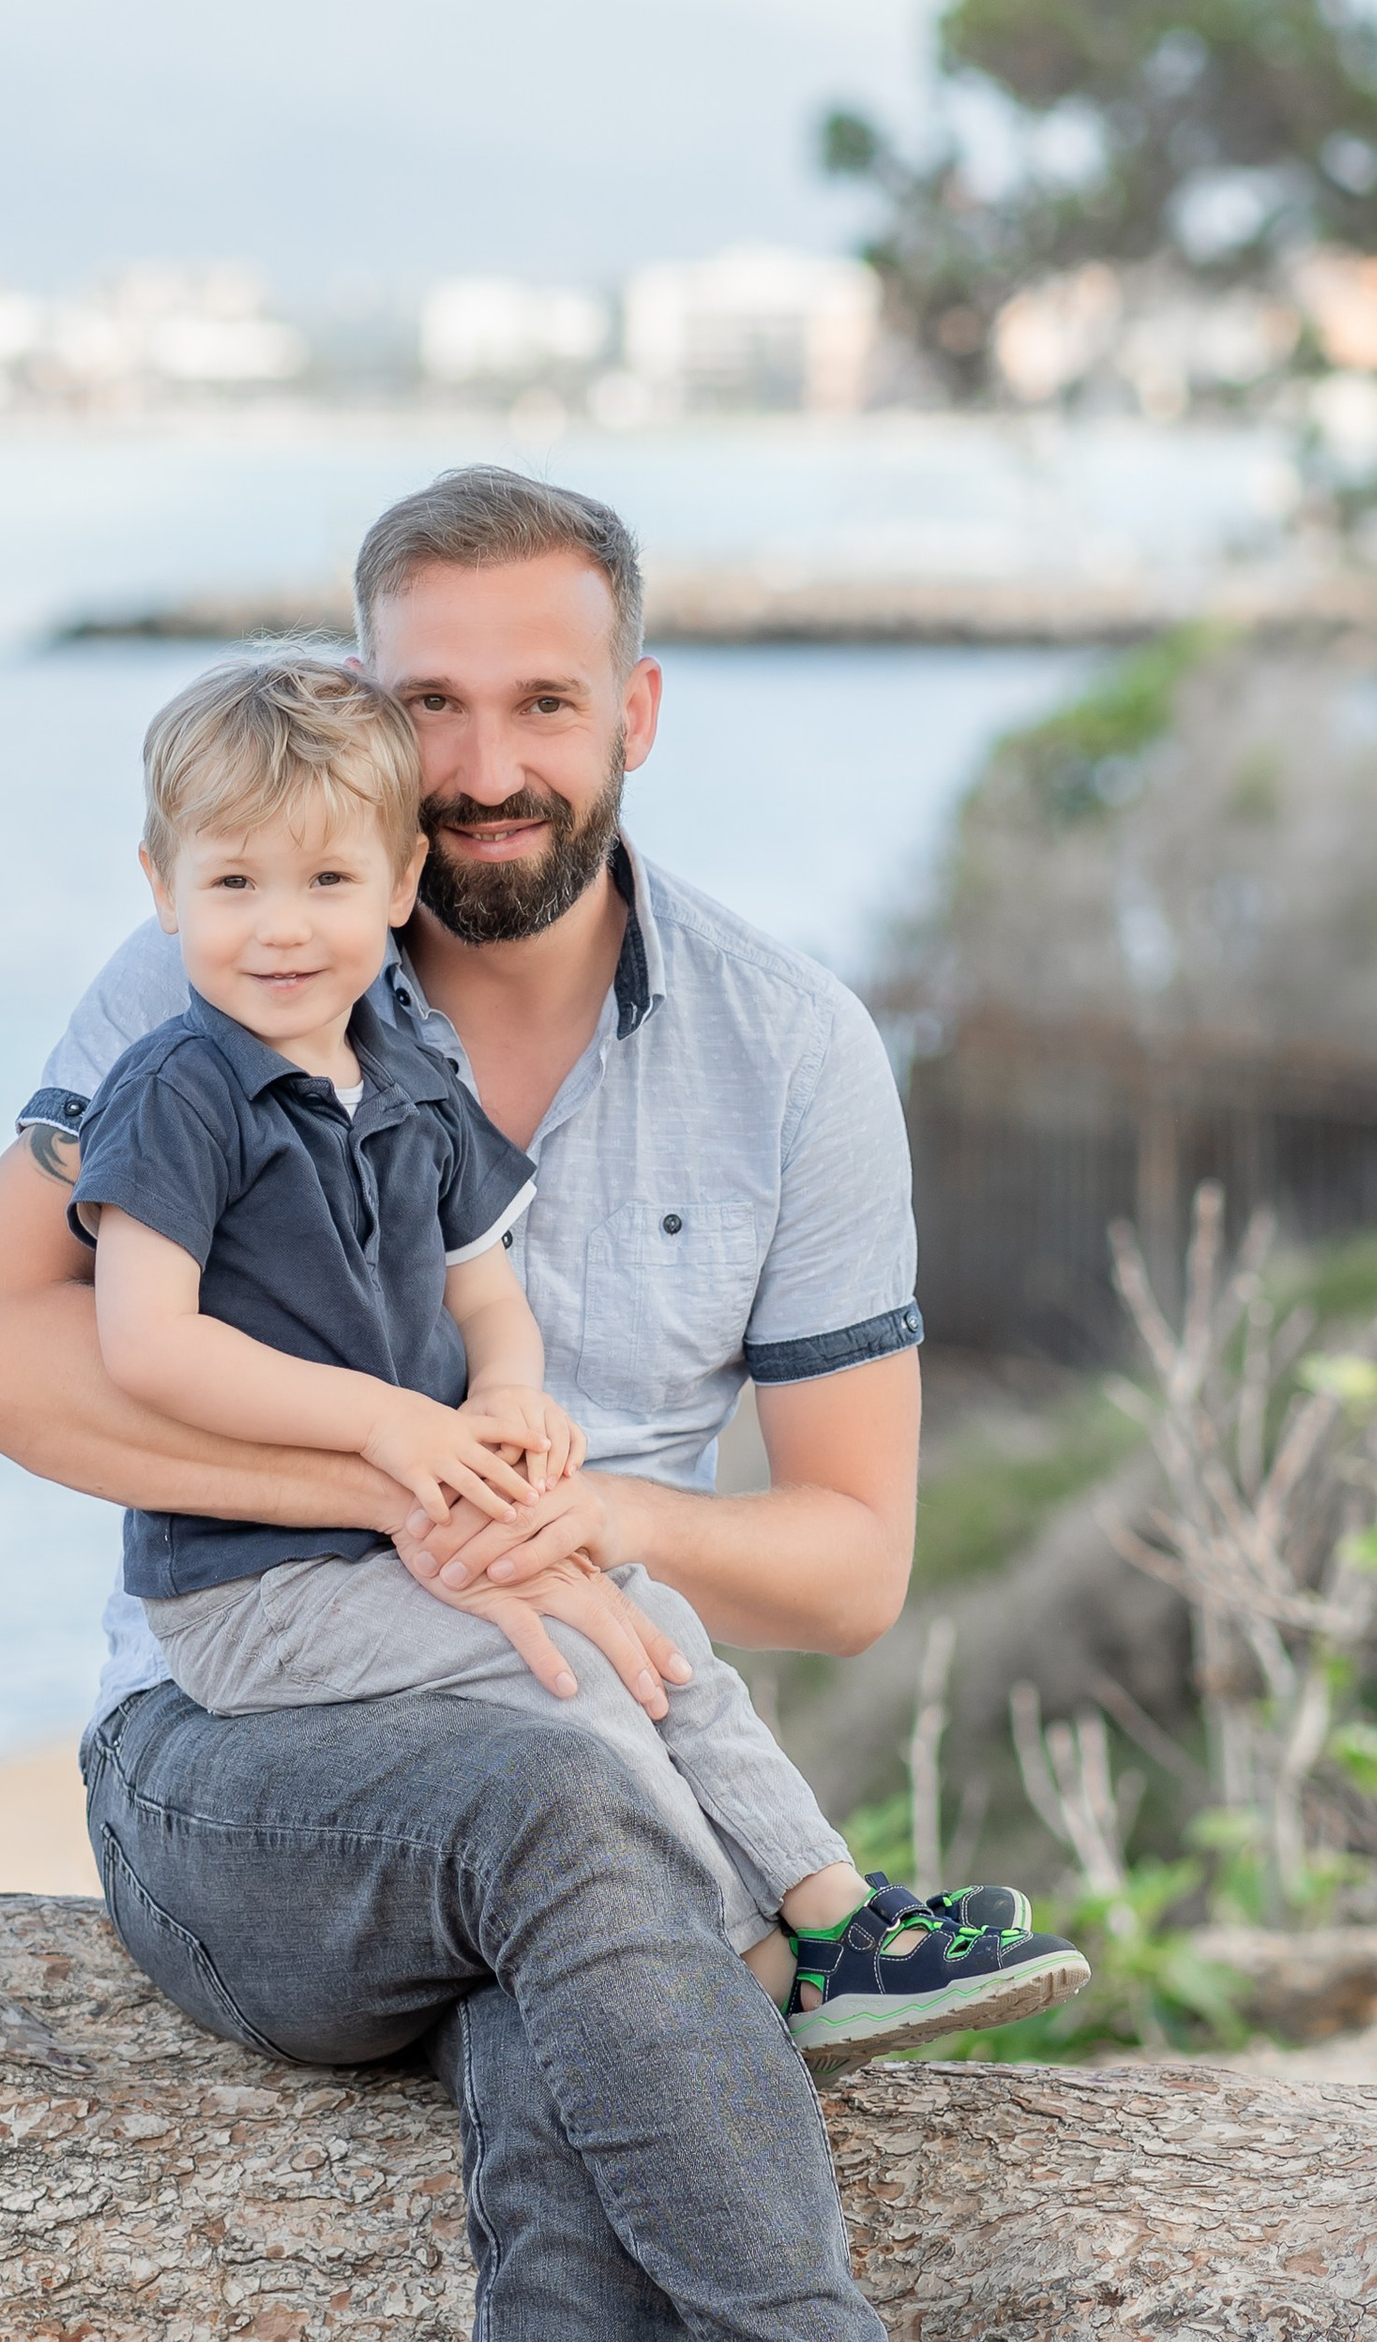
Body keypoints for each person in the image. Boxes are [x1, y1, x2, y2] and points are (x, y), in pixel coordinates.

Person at [0, 468, 1169, 2342]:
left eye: (537, 702)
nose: (481, 767)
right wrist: (408, 1485)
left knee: (582, 2014)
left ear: (634, 712)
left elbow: (842, 1558)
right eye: (432, 701)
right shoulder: (223, 963)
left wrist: (578, 1519)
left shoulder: (791, 1047)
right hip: (238, 1772)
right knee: (578, 1811)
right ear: (364, 703)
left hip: (559, 1769)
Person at [76, 641, 1089, 2058]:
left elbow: (486, 1285)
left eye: (325, 884)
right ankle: (728, 1974)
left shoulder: (406, 1071)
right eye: (233, 885)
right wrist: (392, 1429)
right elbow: (145, 1345)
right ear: (160, 887)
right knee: (558, 1667)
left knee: (643, 1615)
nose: (280, 929)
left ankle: (836, 1912)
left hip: (412, 1526)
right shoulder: (179, 1086)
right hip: (253, 1589)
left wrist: (507, 1399)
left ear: (398, 889)